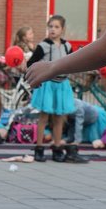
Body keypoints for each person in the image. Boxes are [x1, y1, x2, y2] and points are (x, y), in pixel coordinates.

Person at [27, 15, 77, 163]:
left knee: (59, 117)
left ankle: (57, 148)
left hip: (62, 85)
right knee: (44, 117)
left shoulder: (67, 46)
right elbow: (31, 62)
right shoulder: (43, 46)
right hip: (48, 84)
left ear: (62, 29)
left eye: (56, 27)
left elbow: (72, 62)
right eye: (50, 26)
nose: (53, 30)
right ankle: (39, 148)